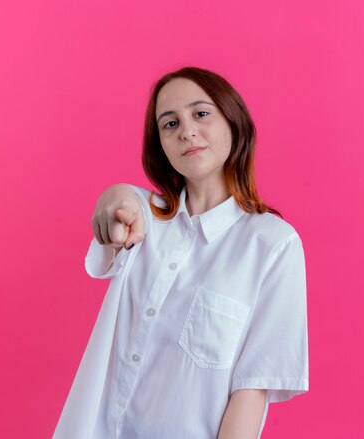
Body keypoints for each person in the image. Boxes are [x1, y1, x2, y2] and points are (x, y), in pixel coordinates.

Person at [53, 66, 308, 439]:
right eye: (169, 124)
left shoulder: (273, 245)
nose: (187, 130)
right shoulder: (143, 216)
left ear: (233, 122)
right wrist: (114, 196)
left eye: (200, 113)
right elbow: (117, 204)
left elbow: (252, 387)